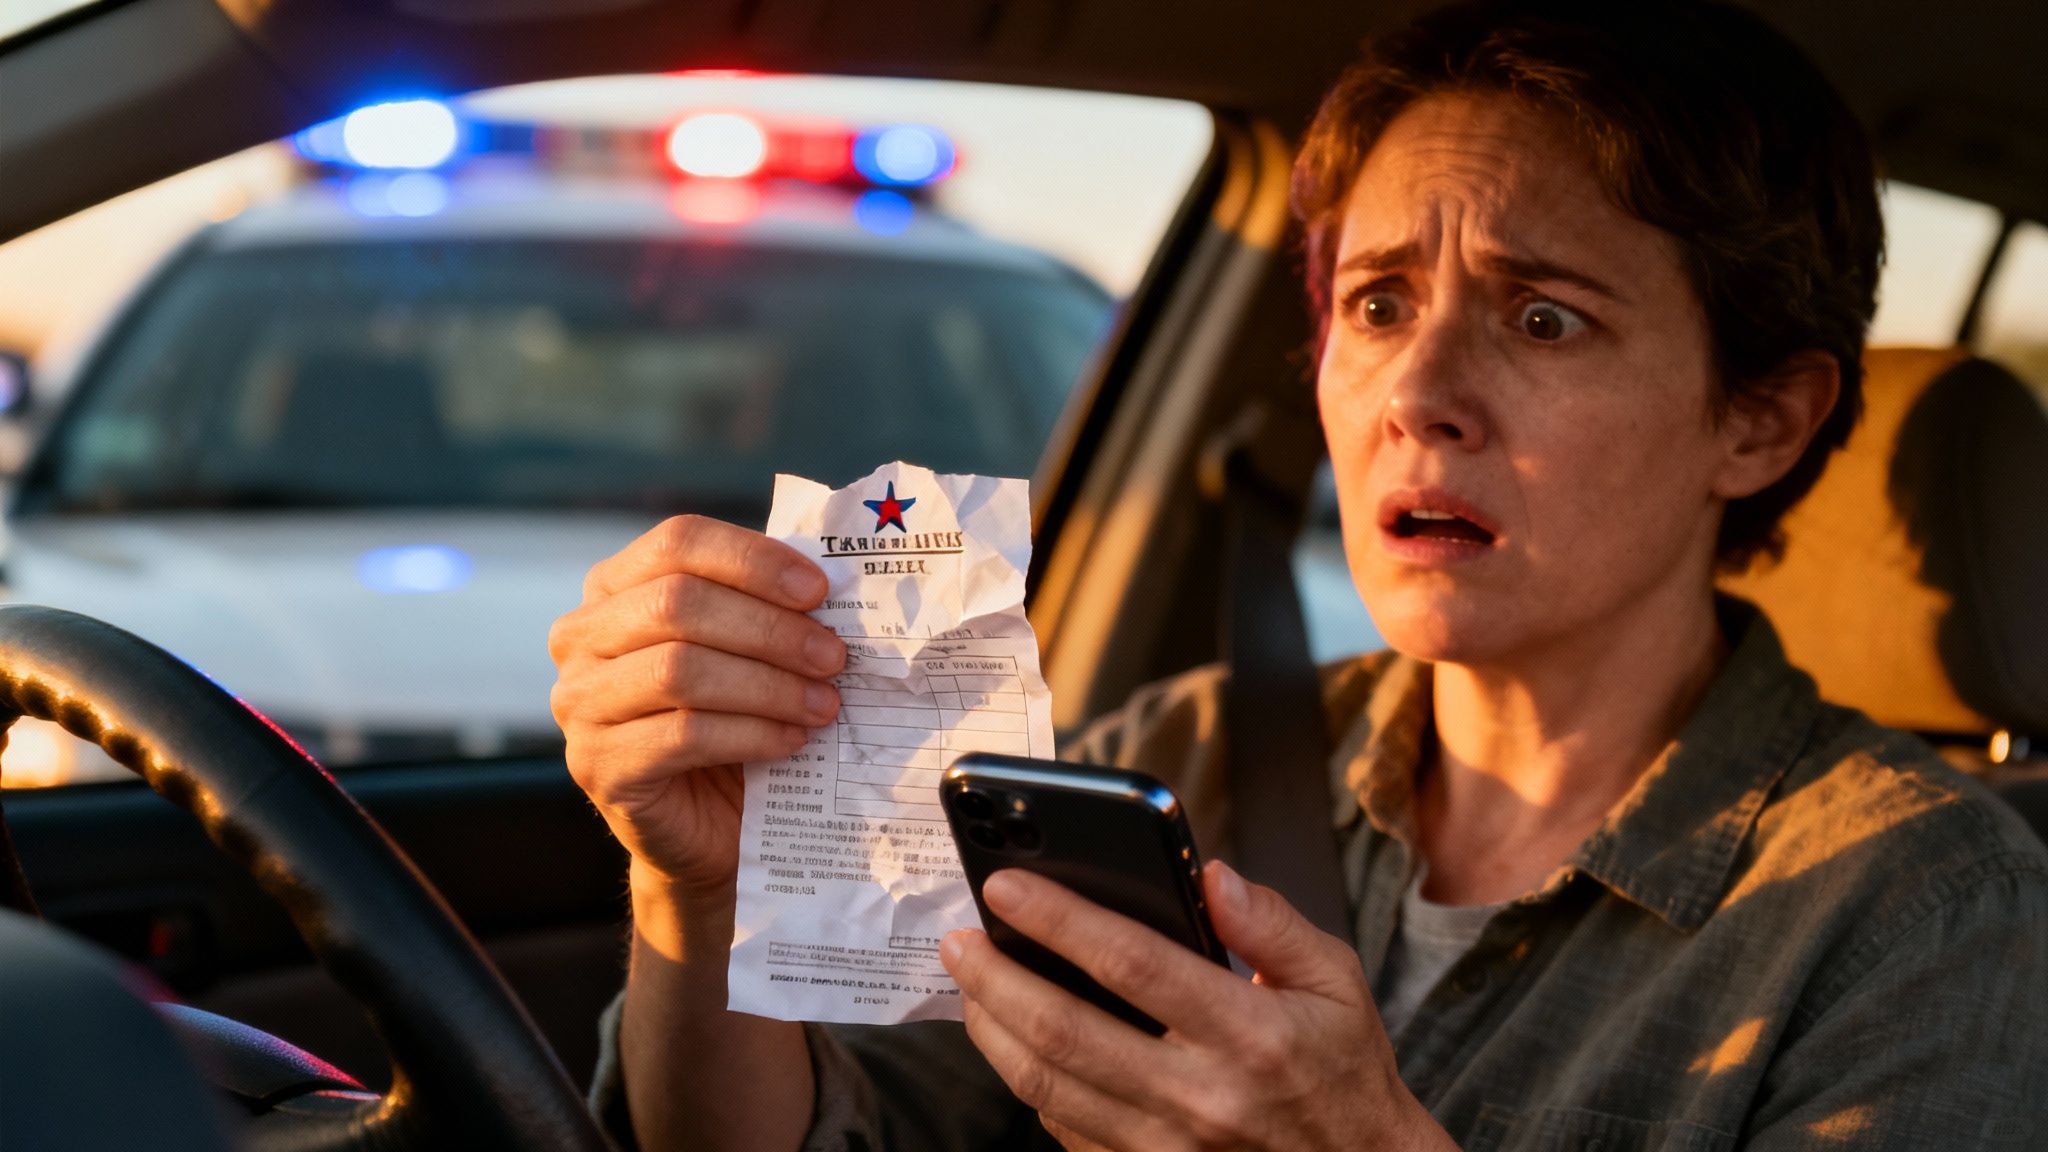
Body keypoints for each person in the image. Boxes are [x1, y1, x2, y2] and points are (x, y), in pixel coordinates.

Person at [546, 1, 2048, 1148]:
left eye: (1545, 321)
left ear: (1759, 419)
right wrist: (701, 895)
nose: (1417, 393)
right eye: (1380, 303)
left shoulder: (1929, 912)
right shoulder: (1172, 758)